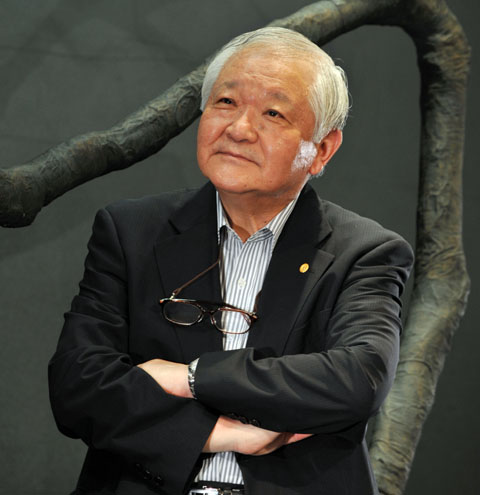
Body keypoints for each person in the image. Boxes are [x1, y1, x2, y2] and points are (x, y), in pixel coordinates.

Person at [49, 27, 414, 495]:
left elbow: (357, 377)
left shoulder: (364, 252)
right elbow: (78, 384)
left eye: (273, 113)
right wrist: (220, 434)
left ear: (322, 149)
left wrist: (191, 378)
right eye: (225, 102)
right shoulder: (130, 231)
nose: (239, 129)